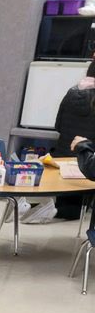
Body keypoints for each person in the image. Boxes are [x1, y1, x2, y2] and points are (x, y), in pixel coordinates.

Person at [52, 60, 95, 220]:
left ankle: (60, 210)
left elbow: (58, 125)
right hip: (87, 161)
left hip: (63, 155)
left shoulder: (72, 91)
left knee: (68, 203)